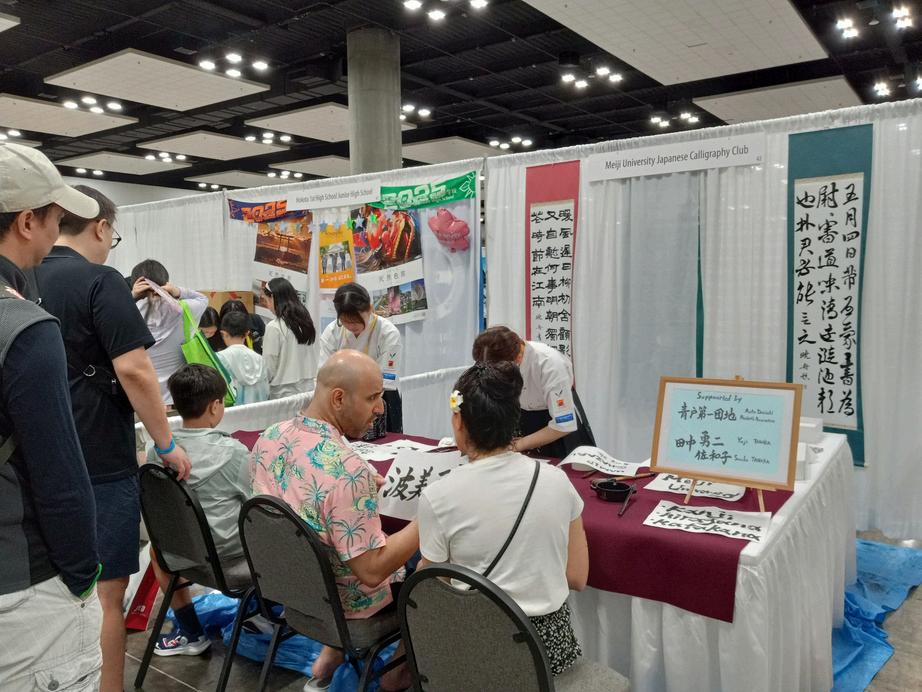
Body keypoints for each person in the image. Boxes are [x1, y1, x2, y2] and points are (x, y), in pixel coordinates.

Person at [34, 186, 192, 692]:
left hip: (35, 457)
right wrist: (165, 444)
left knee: (48, 591)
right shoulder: (100, 280)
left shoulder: (21, 276)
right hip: (99, 456)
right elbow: (135, 371)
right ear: (101, 227)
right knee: (106, 593)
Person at [251, 350, 418, 688]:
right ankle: (396, 674)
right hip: (348, 607)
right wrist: (429, 517)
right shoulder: (347, 470)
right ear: (339, 399)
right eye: (372, 397)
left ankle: (331, 653)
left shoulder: (268, 438)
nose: (380, 408)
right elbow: (371, 572)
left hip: (291, 590)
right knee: (432, 562)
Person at [0, 143, 103, 690]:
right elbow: (60, 475)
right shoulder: (25, 327)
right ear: (26, 222)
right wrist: (82, 576)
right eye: (56, 219)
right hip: (23, 587)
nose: (58, 232)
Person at [417, 361, 588, 676]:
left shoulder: (438, 496)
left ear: (459, 421)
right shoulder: (557, 481)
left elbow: (433, 589)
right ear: (514, 420)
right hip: (547, 654)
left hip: (474, 651)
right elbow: (577, 577)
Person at [146, 364, 251, 656]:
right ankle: (265, 619)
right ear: (215, 406)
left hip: (179, 556)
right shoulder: (234, 452)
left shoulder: (159, 451)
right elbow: (258, 505)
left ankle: (190, 632)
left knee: (156, 550)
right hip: (230, 563)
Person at [472, 326, 592, 458]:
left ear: (517, 358)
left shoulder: (550, 365)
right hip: (524, 418)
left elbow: (564, 424)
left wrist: (519, 445)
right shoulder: (494, 359)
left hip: (556, 428)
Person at [319, 282, 403, 432]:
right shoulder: (332, 332)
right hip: (342, 401)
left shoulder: (388, 333)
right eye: (346, 321)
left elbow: (387, 378)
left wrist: (361, 401)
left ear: (370, 309)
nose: (352, 326)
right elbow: (324, 373)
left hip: (380, 397)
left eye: (357, 321)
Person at [129, 259, 209, 405]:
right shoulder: (185, 309)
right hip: (180, 393)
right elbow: (203, 299)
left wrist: (131, 296)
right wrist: (177, 291)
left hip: (142, 395)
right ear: (166, 283)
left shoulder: (128, 312)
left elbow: (107, 315)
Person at [261, 277, 318, 399]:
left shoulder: (274, 326)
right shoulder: (305, 322)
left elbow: (269, 364)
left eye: (266, 300)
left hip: (283, 392)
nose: (267, 306)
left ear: (273, 297)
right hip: (308, 389)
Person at [217, 311, 270, 404]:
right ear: (247, 333)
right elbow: (266, 391)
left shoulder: (219, 359)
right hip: (258, 410)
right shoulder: (259, 359)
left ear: (224, 333)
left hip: (232, 411)